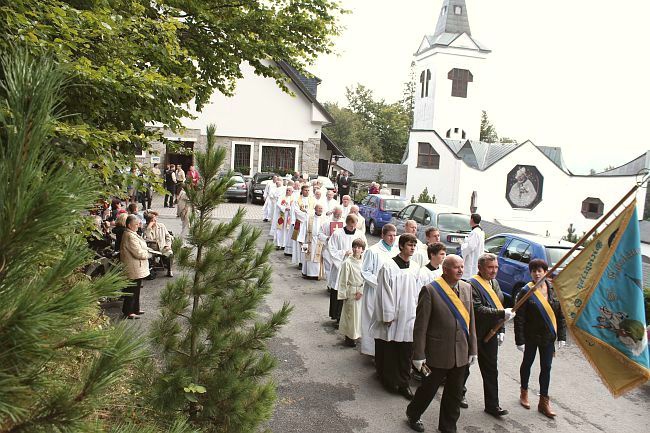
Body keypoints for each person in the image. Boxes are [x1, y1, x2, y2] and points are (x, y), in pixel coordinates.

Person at [406, 255, 477, 433]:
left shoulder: (467, 288)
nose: (461, 270)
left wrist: (473, 349)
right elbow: (421, 326)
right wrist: (418, 355)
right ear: (445, 269)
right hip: (436, 354)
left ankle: (447, 427)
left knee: (454, 393)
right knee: (428, 390)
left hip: (460, 352)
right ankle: (413, 414)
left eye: (462, 267)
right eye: (456, 267)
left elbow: (471, 322)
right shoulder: (431, 290)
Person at [464, 253, 516, 417]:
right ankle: (459, 394)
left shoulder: (494, 283)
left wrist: (500, 330)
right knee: (463, 368)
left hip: (491, 333)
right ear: (480, 268)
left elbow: (499, 303)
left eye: (496, 267)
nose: (494, 271)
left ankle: (492, 405)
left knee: (491, 370)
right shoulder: (471, 285)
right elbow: (478, 309)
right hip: (473, 333)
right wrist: (501, 313)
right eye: (490, 267)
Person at [515, 258, 567, 418]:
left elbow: (561, 315)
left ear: (545, 272)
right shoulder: (526, 291)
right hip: (531, 336)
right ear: (530, 273)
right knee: (527, 363)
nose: (537, 273)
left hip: (548, 337)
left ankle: (544, 401)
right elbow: (520, 318)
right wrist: (520, 340)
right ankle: (524, 392)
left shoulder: (554, 290)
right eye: (533, 271)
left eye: (540, 270)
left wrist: (562, 337)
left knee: (546, 368)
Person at [372, 233, 421, 400]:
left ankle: (404, 383)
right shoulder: (388, 267)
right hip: (393, 316)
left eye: (414, 245)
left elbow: (417, 291)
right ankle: (389, 379)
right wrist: (387, 315)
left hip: (409, 315)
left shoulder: (415, 267)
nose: (412, 248)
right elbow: (384, 293)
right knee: (390, 348)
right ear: (401, 246)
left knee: (406, 350)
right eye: (409, 245)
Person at [360, 224, 399, 357]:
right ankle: (370, 350)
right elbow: (365, 271)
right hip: (374, 291)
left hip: (390, 292)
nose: (392, 238)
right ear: (382, 235)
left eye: (394, 235)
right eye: (389, 235)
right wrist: (379, 283)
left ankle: (384, 351)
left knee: (386, 320)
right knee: (372, 319)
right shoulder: (373, 251)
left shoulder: (396, 251)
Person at [327, 214, 365, 323]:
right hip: (340, 266)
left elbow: (365, 249)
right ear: (347, 223)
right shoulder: (337, 233)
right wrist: (344, 253)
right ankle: (337, 316)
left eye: (355, 226)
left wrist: (358, 258)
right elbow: (331, 249)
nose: (353, 228)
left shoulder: (360, 234)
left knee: (351, 292)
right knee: (339, 288)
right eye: (351, 226)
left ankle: (350, 318)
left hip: (355, 268)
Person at [120, 215, 150, 319]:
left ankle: (135, 309)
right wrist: (148, 254)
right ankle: (129, 311)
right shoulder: (130, 236)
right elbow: (138, 252)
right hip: (133, 266)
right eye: (136, 224)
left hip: (135, 266)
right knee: (132, 290)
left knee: (135, 289)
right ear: (129, 225)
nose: (138, 226)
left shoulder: (130, 234)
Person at [337, 238, 367, 347]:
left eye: (359, 248)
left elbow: (366, 277)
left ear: (363, 250)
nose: (356, 249)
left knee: (360, 315)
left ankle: (358, 334)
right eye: (354, 247)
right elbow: (343, 280)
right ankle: (349, 337)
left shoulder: (365, 262)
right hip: (351, 291)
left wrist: (362, 291)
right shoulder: (347, 262)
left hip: (361, 291)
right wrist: (343, 294)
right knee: (350, 315)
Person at [143, 211, 174, 277]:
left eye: (155, 219)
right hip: (152, 249)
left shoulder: (161, 226)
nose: (155, 221)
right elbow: (146, 238)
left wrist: (168, 245)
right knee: (147, 255)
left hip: (163, 247)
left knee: (170, 253)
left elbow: (168, 237)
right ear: (149, 221)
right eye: (153, 220)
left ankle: (169, 270)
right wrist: (149, 228)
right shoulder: (145, 228)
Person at [301, 204, 327, 279]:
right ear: (315, 209)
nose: (320, 210)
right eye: (318, 208)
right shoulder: (309, 218)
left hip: (320, 241)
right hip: (310, 240)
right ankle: (308, 273)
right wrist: (301, 240)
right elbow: (303, 229)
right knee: (309, 257)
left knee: (318, 258)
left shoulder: (324, 219)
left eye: (321, 208)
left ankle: (316, 274)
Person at [320, 207, 344, 282]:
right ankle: (329, 285)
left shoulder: (344, 223)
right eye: (337, 214)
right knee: (328, 267)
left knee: (338, 266)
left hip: (339, 250)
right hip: (328, 248)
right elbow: (319, 234)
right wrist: (327, 238)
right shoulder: (326, 222)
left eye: (340, 214)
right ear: (333, 213)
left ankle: (336, 284)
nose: (338, 216)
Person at [460, 213, 485, 280]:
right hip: (476, 257)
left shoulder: (475, 232)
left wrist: (463, 244)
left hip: (472, 259)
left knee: (469, 275)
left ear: (472, 220)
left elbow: (470, 246)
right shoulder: (480, 231)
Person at [275, 186, 294, 251]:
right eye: (287, 190)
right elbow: (278, 204)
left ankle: (284, 244)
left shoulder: (293, 198)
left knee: (286, 230)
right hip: (282, 214)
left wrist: (290, 209)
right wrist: (284, 208)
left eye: (289, 190)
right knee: (279, 229)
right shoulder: (282, 197)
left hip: (289, 215)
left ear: (292, 192)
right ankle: (278, 244)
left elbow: (294, 207)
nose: (287, 191)